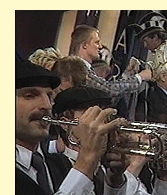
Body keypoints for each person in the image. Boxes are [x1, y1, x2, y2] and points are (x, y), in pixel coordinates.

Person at [15, 60, 127, 195]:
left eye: (49, 96)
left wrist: (114, 181)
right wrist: (86, 160)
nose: (47, 105)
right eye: (30, 95)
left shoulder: (59, 163)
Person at [52, 86, 167, 195]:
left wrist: (164, 178)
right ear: (65, 123)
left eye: (106, 114)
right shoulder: (54, 166)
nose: (104, 121)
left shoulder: (106, 169)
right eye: (92, 114)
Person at [69, 24, 152, 98]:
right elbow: (108, 90)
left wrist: (127, 75)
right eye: (97, 42)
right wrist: (140, 77)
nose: (100, 46)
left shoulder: (84, 68)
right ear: (84, 45)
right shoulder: (77, 68)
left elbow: (109, 95)